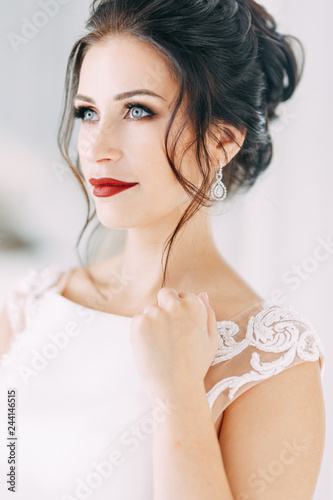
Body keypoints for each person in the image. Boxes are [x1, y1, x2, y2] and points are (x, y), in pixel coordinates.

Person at [0, 0, 326, 499]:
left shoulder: (270, 361)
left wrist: (178, 397)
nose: (97, 146)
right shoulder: (32, 307)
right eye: (87, 112)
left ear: (220, 141)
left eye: (137, 110)